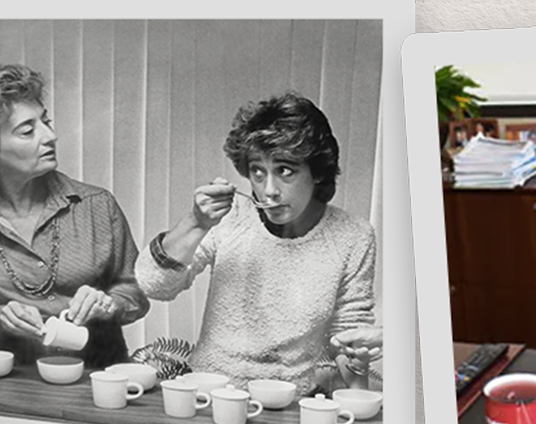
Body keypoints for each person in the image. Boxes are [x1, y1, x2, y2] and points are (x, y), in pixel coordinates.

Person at [138, 92, 379, 395]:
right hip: (211, 395)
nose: (269, 191)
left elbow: (350, 336)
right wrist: (196, 223)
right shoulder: (229, 216)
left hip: (289, 402)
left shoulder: (353, 236)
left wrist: (359, 403)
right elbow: (153, 285)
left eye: (285, 170)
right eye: (257, 171)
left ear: (316, 171)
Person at [0, 63, 148, 368]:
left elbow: (137, 291)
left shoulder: (97, 205)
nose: (51, 136)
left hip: (103, 376)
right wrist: (0, 316)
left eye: (45, 121)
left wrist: (108, 303)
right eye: (28, 130)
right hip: (16, 380)